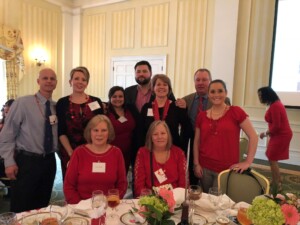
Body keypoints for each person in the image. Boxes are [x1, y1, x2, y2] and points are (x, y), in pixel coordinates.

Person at [0, 68, 58, 212]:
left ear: (56, 83)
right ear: (38, 81)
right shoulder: (22, 103)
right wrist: (9, 161)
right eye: (45, 78)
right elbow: (7, 134)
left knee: (42, 206)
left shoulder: (56, 107)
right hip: (26, 163)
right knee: (22, 206)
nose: (49, 81)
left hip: (49, 162)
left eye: (52, 78)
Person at [193, 79, 258, 193]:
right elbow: (197, 142)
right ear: (208, 94)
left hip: (226, 168)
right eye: (212, 92)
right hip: (204, 168)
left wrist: (248, 162)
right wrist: (196, 163)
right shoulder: (202, 116)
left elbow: (253, 136)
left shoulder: (235, 112)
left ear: (226, 93)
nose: (216, 95)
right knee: (206, 200)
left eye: (220, 91)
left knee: (219, 202)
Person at [176, 68, 230, 185]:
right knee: (192, 176)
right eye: (198, 80)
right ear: (194, 82)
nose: (200, 83)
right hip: (191, 146)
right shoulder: (186, 100)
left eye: (204, 80)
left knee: (211, 180)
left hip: (212, 147)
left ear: (210, 81)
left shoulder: (223, 100)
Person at [64, 115, 128, 204]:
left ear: (109, 132)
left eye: (104, 130)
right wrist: (81, 206)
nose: (99, 134)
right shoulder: (79, 152)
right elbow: (69, 186)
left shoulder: (116, 153)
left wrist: (110, 202)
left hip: (108, 205)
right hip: (81, 207)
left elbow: (122, 184)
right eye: (95, 130)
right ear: (90, 132)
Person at [56, 66, 104, 178]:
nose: (80, 82)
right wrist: (70, 152)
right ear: (70, 81)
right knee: (72, 182)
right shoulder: (62, 103)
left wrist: (96, 149)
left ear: (87, 83)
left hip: (93, 149)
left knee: (92, 180)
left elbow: (101, 128)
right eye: (76, 78)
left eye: (84, 79)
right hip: (69, 150)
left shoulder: (96, 101)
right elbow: (61, 131)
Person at [134, 120, 187, 197]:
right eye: (155, 134)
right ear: (150, 137)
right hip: (151, 200)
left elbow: (184, 184)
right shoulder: (142, 153)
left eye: (163, 133)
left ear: (168, 135)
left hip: (175, 199)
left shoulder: (179, 153)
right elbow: (139, 185)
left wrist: (176, 199)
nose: (159, 137)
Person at [140, 74, 190, 150]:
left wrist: (182, 148)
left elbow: (187, 129)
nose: (161, 87)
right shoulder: (146, 107)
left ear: (169, 88)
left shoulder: (177, 106)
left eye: (165, 84)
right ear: (153, 88)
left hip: (172, 149)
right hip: (151, 149)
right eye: (158, 84)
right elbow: (141, 131)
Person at [257, 86, 292, 191]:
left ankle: (278, 184)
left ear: (266, 95)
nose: (259, 97)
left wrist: (265, 133)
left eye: (260, 95)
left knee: (272, 159)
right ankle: (277, 179)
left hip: (281, 135)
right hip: (277, 134)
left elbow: (277, 126)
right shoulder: (274, 104)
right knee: (271, 157)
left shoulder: (275, 106)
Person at [106, 86, 138, 174]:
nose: (118, 99)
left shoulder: (129, 110)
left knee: (123, 176)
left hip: (127, 152)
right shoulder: (105, 112)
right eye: (114, 96)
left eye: (120, 96)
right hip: (110, 152)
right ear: (110, 98)